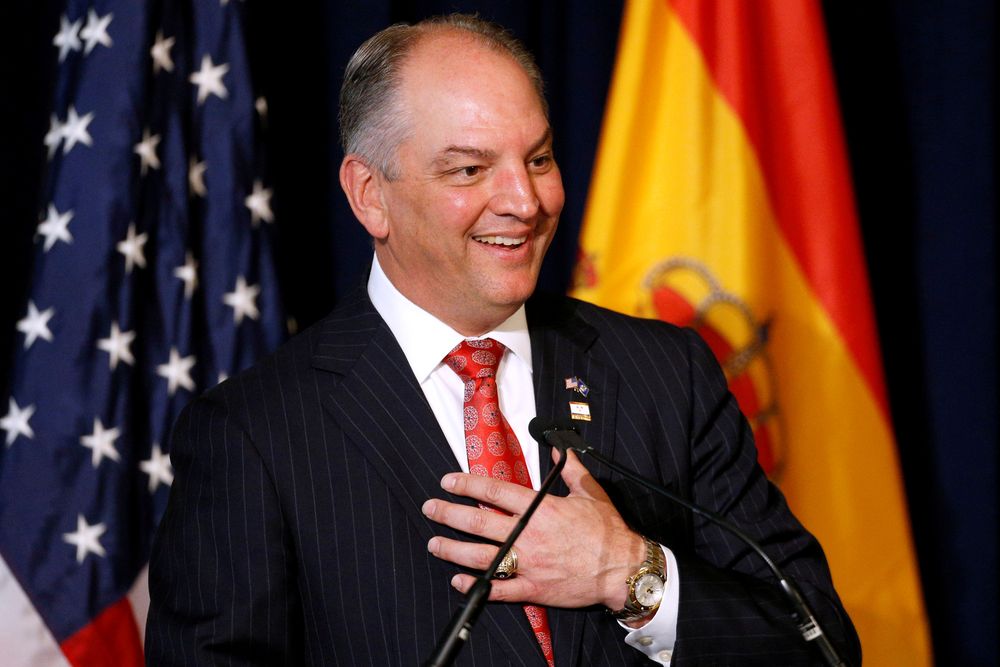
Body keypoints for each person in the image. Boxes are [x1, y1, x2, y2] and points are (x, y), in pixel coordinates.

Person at [146, 14, 860, 666]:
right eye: (470, 169)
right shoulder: (254, 434)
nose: (525, 201)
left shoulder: (665, 374)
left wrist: (632, 573)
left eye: (540, 159)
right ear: (370, 194)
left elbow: (822, 644)